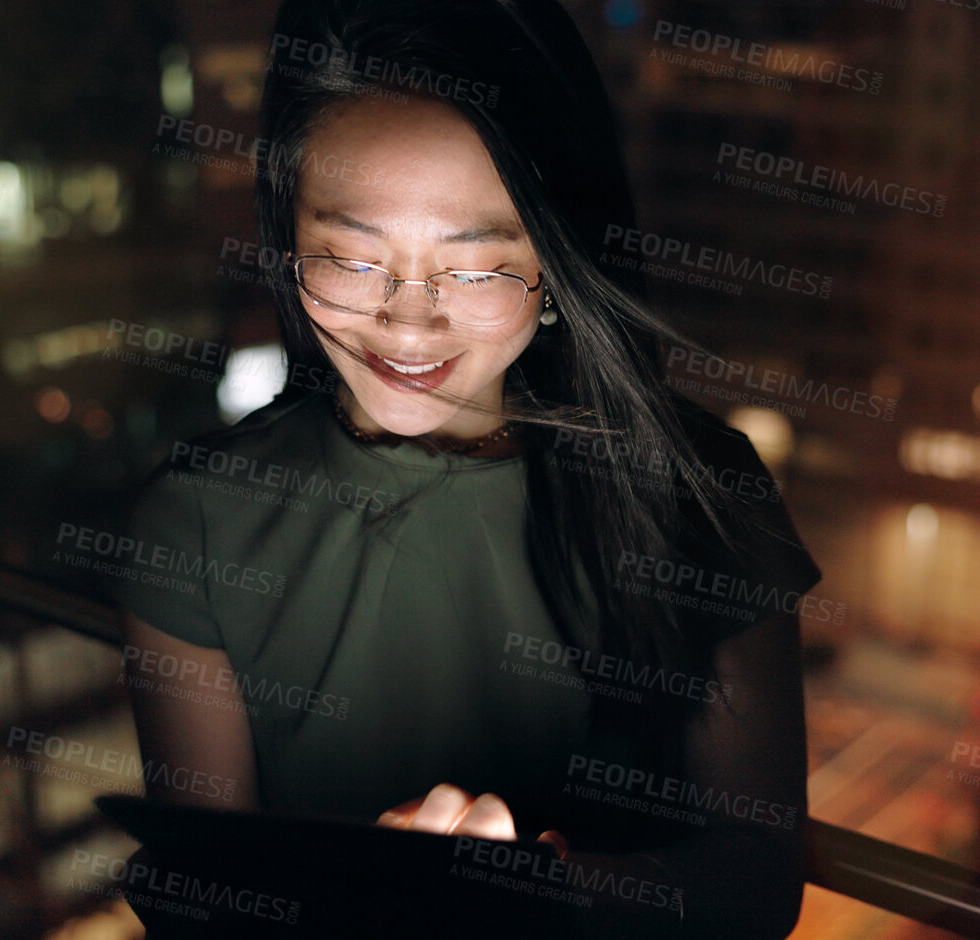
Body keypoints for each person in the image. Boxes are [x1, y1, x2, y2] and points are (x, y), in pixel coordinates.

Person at [111, 1, 825, 935]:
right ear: (287, 246)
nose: (410, 324)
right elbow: (201, 891)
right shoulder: (198, 519)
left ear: (557, 263)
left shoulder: (704, 488)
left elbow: (760, 883)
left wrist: (538, 892)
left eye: (478, 269)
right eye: (352, 260)